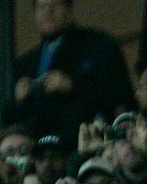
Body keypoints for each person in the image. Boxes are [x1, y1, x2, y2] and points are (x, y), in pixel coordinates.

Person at [11, 0, 134, 142]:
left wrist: (72, 85)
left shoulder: (99, 45)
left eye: (55, 5)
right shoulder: (24, 63)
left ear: (69, 9)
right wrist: (18, 99)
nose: (48, 13)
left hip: (90, 142)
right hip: (39, 148)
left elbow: (121, 96)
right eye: (41, 7)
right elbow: (9, 117)